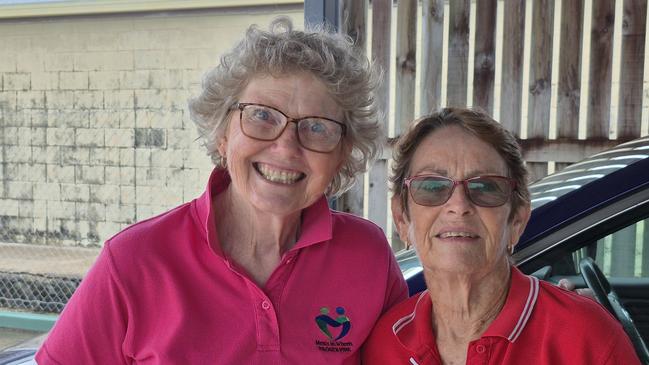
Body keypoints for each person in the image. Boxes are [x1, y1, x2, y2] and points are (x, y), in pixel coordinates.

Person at [36, 17, 407, 364]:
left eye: (318, 127)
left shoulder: (369, 255)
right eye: (262, 116)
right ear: (222, 131)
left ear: (343, 152)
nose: (287, 147)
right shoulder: (133, 261)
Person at [361, 108, 642, 364]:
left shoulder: (586, 338)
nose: (458, 206)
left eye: (485, 187)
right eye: (432, 186)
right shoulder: (386, 343)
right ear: (401, 217)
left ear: (517, 217)